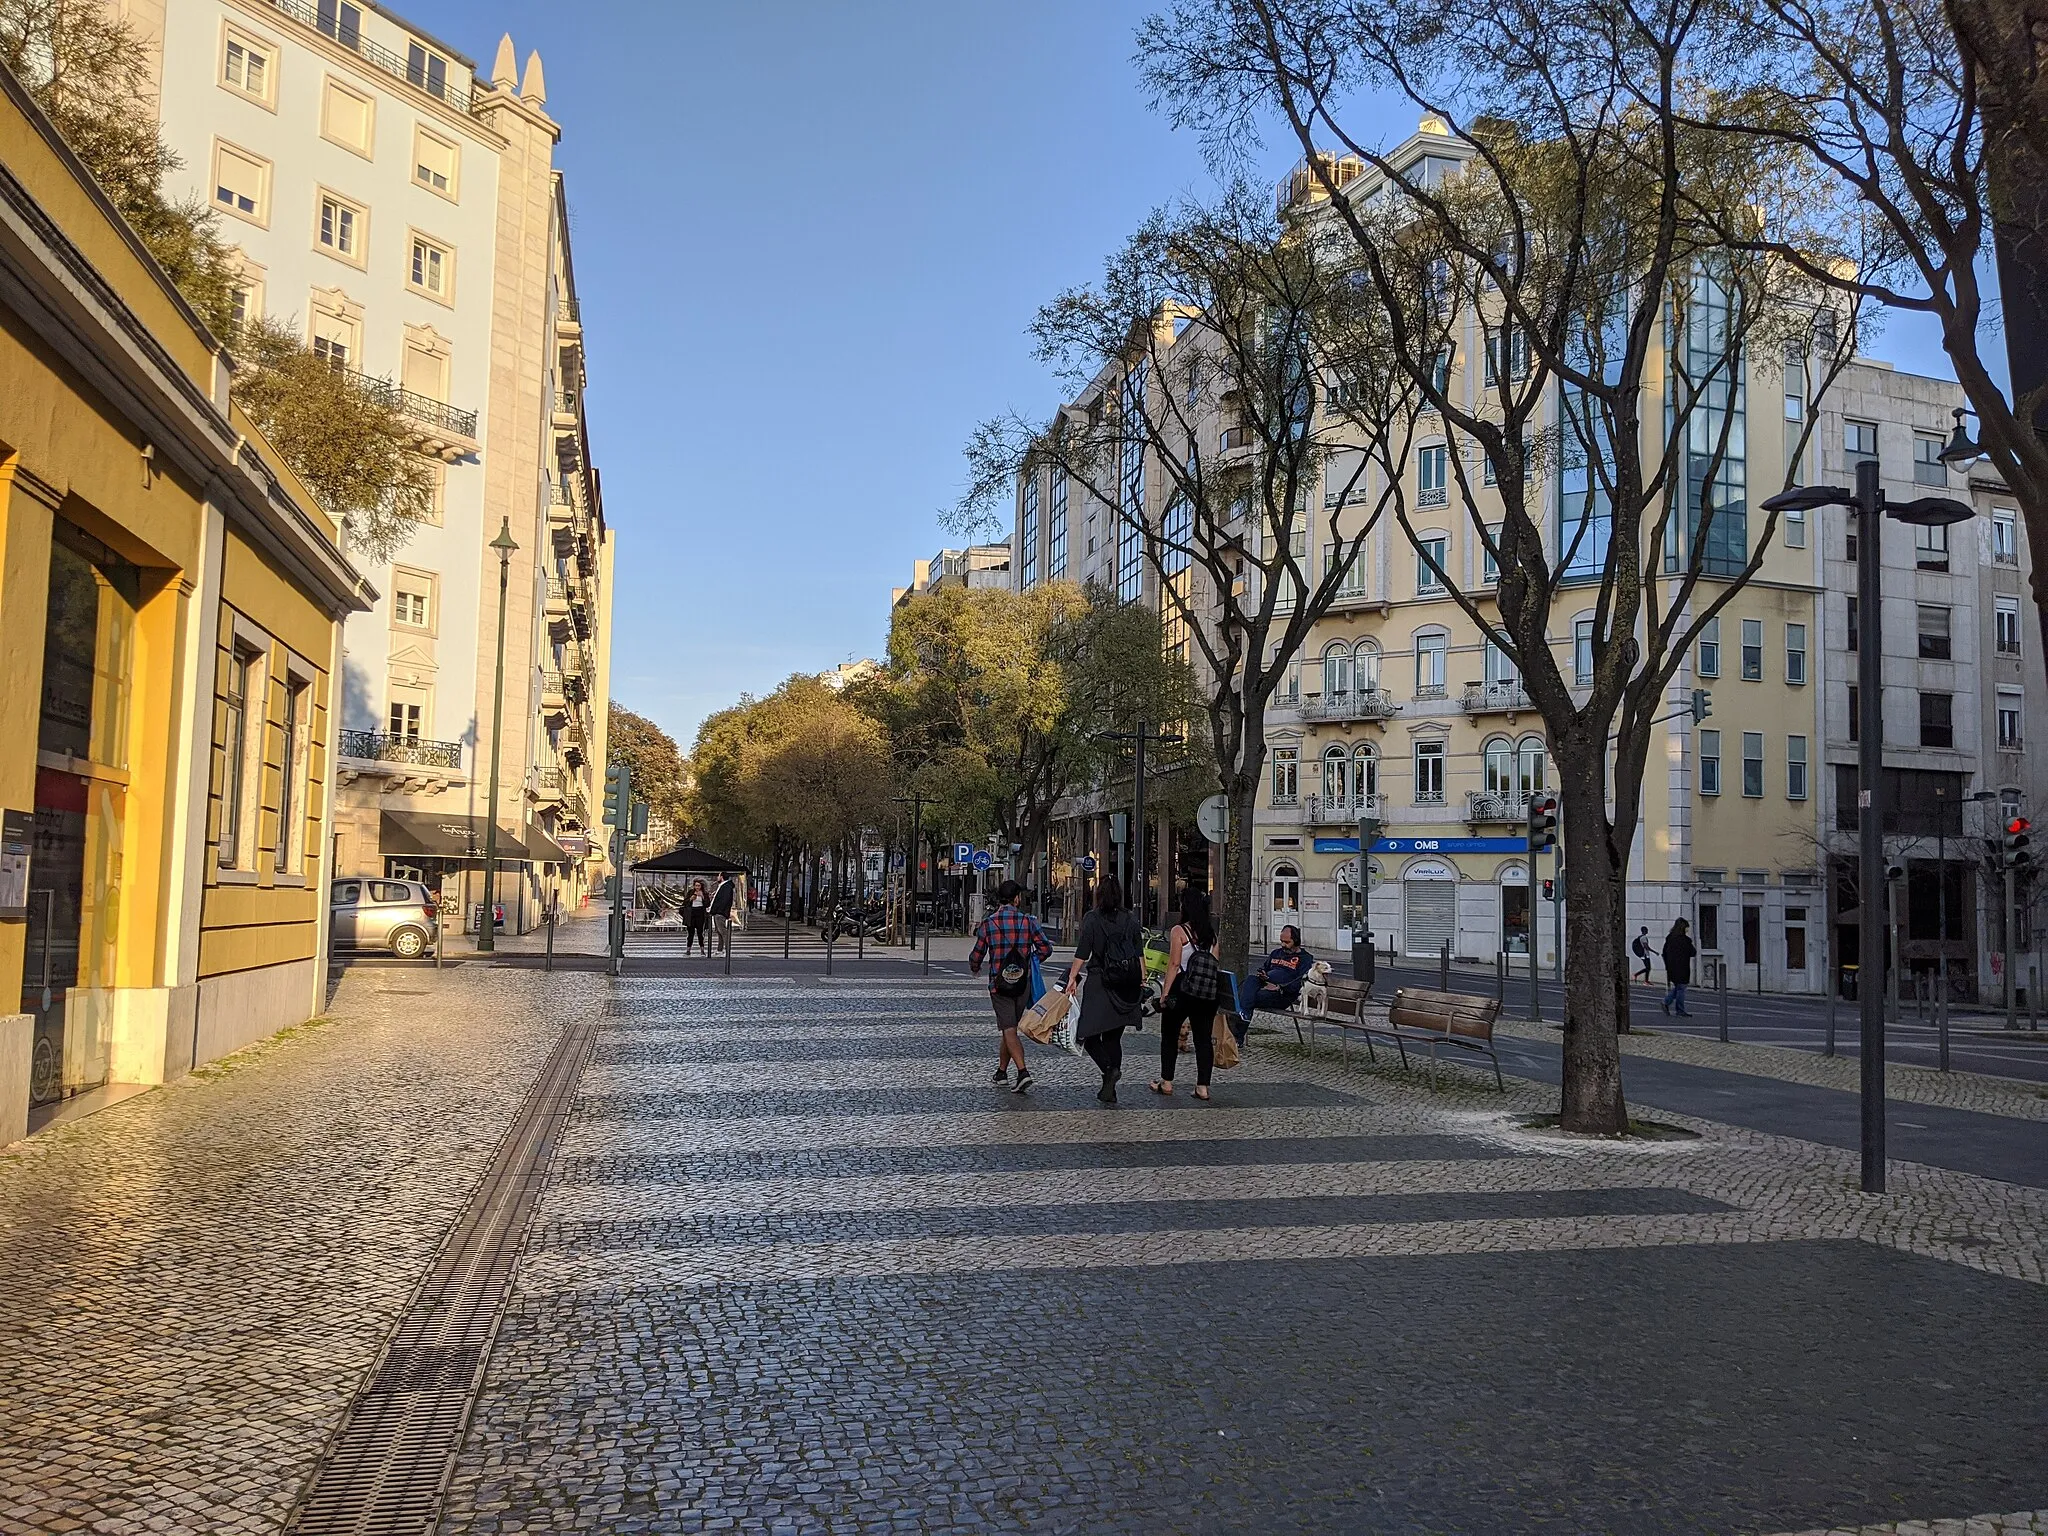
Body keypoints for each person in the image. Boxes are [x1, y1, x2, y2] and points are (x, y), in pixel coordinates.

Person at [1065, 875, 1146, 1104]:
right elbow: (1139, 952)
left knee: (1089, 1035)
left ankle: (1109, 1071)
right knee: (1113, 1038)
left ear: (1098, 894)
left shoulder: (1092, 919)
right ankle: (1110, 1082)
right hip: (1125, 985)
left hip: (1100, 982)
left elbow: (1082, 953)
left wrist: (1072, 978)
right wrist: (1142, 978)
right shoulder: (1130, 920)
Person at [969, 878, 1053, 1094]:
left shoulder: (989, 923)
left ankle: (1023, 1072)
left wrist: (975, 967)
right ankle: (1001, 1072)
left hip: (1000, 985)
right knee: (1010, 1028)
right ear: (1016, 899)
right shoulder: (1028, 922)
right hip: (1022, 985)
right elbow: (1045, 949)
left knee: (1008, 1028)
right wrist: (1029, 960)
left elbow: (977, 953)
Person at [1152, 889, 1222, 1101]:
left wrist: (1165, 994)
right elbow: (1215, 965)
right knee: (1203, 1039)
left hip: (1182, 988)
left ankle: (1167, 1082)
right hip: (1207, 992)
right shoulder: (1212, 934)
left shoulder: (1178, 931)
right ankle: (1202, 1087)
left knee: (1169, 1036)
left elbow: (1174, 964)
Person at [1237, 926, 1315, 1018]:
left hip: (1281, 994)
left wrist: (1279, 987)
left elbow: (1301, 981)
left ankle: (1241, 1021)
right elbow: (1265, 967)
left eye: (1287, 942)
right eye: (1281, 941)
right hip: (1265, 984)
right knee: (1251, 979)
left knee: (1245, 997)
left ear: (1296, 941)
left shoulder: (1305, 958)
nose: (1283, 945)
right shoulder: (1276, 953)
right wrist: (1263, 974)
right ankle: (1243, 1017)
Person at [1661, 918, 1697, 1016]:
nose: (1687, 930)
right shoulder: (1685, 940)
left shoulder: (1670, 938)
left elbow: (1664, 952)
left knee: (1678, 987)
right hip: (1682, 967)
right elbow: (1693, 952)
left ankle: (1666, 1002)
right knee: (1681, 988)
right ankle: (1677, 1008)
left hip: (1671, 967)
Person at [708, 871, 737, 956]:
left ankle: (727, 950)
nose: (717, 877)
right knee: (719, 931)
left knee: (723, 931)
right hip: (718, 912)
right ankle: (719, 949)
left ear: (722, 877)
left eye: (719, 875)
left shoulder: (726, 887)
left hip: (720, 912)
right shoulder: (724, 886)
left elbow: (724, 900)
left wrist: (718, 909)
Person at [684, 878, 711, 955]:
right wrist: (690, 899)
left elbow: (707, 904)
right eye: (696, 886)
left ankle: (702, 949)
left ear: (701, 886)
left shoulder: (704, 893)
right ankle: (688, 949)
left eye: (699, 886)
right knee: (690, 932)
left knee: (700, 932)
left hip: (700, 913)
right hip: (692, 912)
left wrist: (702, 897)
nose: (697, 887)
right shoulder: (690, 892)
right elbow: (685, 903)